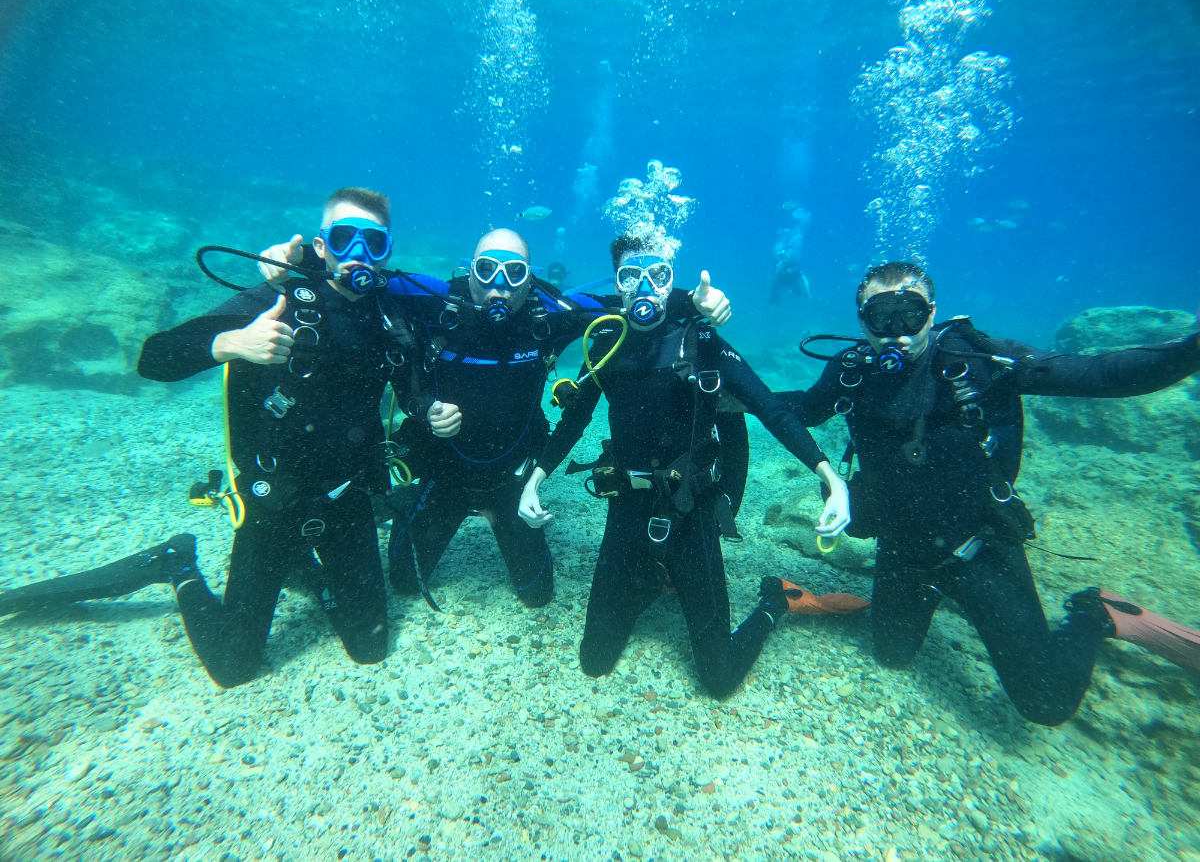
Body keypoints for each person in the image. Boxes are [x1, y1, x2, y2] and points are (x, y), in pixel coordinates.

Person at [0, 188, 412, 688]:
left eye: (374, 242)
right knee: (233, 666)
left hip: (346, 497)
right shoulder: (279, 298)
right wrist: (230, 343)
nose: (360, 255)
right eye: (345, 238)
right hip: (273, 499)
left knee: (371, 648)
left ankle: (302, 565)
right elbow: (154, 358)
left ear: (388, 248)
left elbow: (461, 300)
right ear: (323, 245)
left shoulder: (392, 310)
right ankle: (176, 562)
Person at [779, 260, 1200, 725]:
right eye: (881, 317)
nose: (895, 331)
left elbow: (1101, 374)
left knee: (1046, 703)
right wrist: (722, 387)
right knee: (891, 656)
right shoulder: (852, 372)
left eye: (910, 314)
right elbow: (799, 409)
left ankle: (1094, 611)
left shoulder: (980, 362)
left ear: (933, 312)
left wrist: (1190, 351)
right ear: (862, 321)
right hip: (903, 546)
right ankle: (939, 594)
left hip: (980, 544)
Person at [257, 228, 732, 612]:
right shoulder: (439, 301)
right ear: (471, 271)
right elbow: (367, 279)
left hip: (511, 476)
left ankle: (490, 512)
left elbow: (630, 300)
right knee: (401, 581)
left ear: (530, 279)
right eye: (487, 270)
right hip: (446, 472)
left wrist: (695, 301)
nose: (499, 285)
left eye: (514, 272)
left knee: (537, 595)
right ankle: (405, 500)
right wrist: (299, 264)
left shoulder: (548, 313)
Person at [517, 235, 861, 699]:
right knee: (593, 660)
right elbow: (574, 420)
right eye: (630, 276)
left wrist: (830, 476)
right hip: (627, 507)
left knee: (719, 679)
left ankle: (774, 602)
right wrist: (535, 481)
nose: (644, 288)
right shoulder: (605, 341)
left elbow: (771, 411)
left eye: (657, 275)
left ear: (671, 279)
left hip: (692, 511)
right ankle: (650, 580)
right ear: (616, 283)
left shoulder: (702, 340)